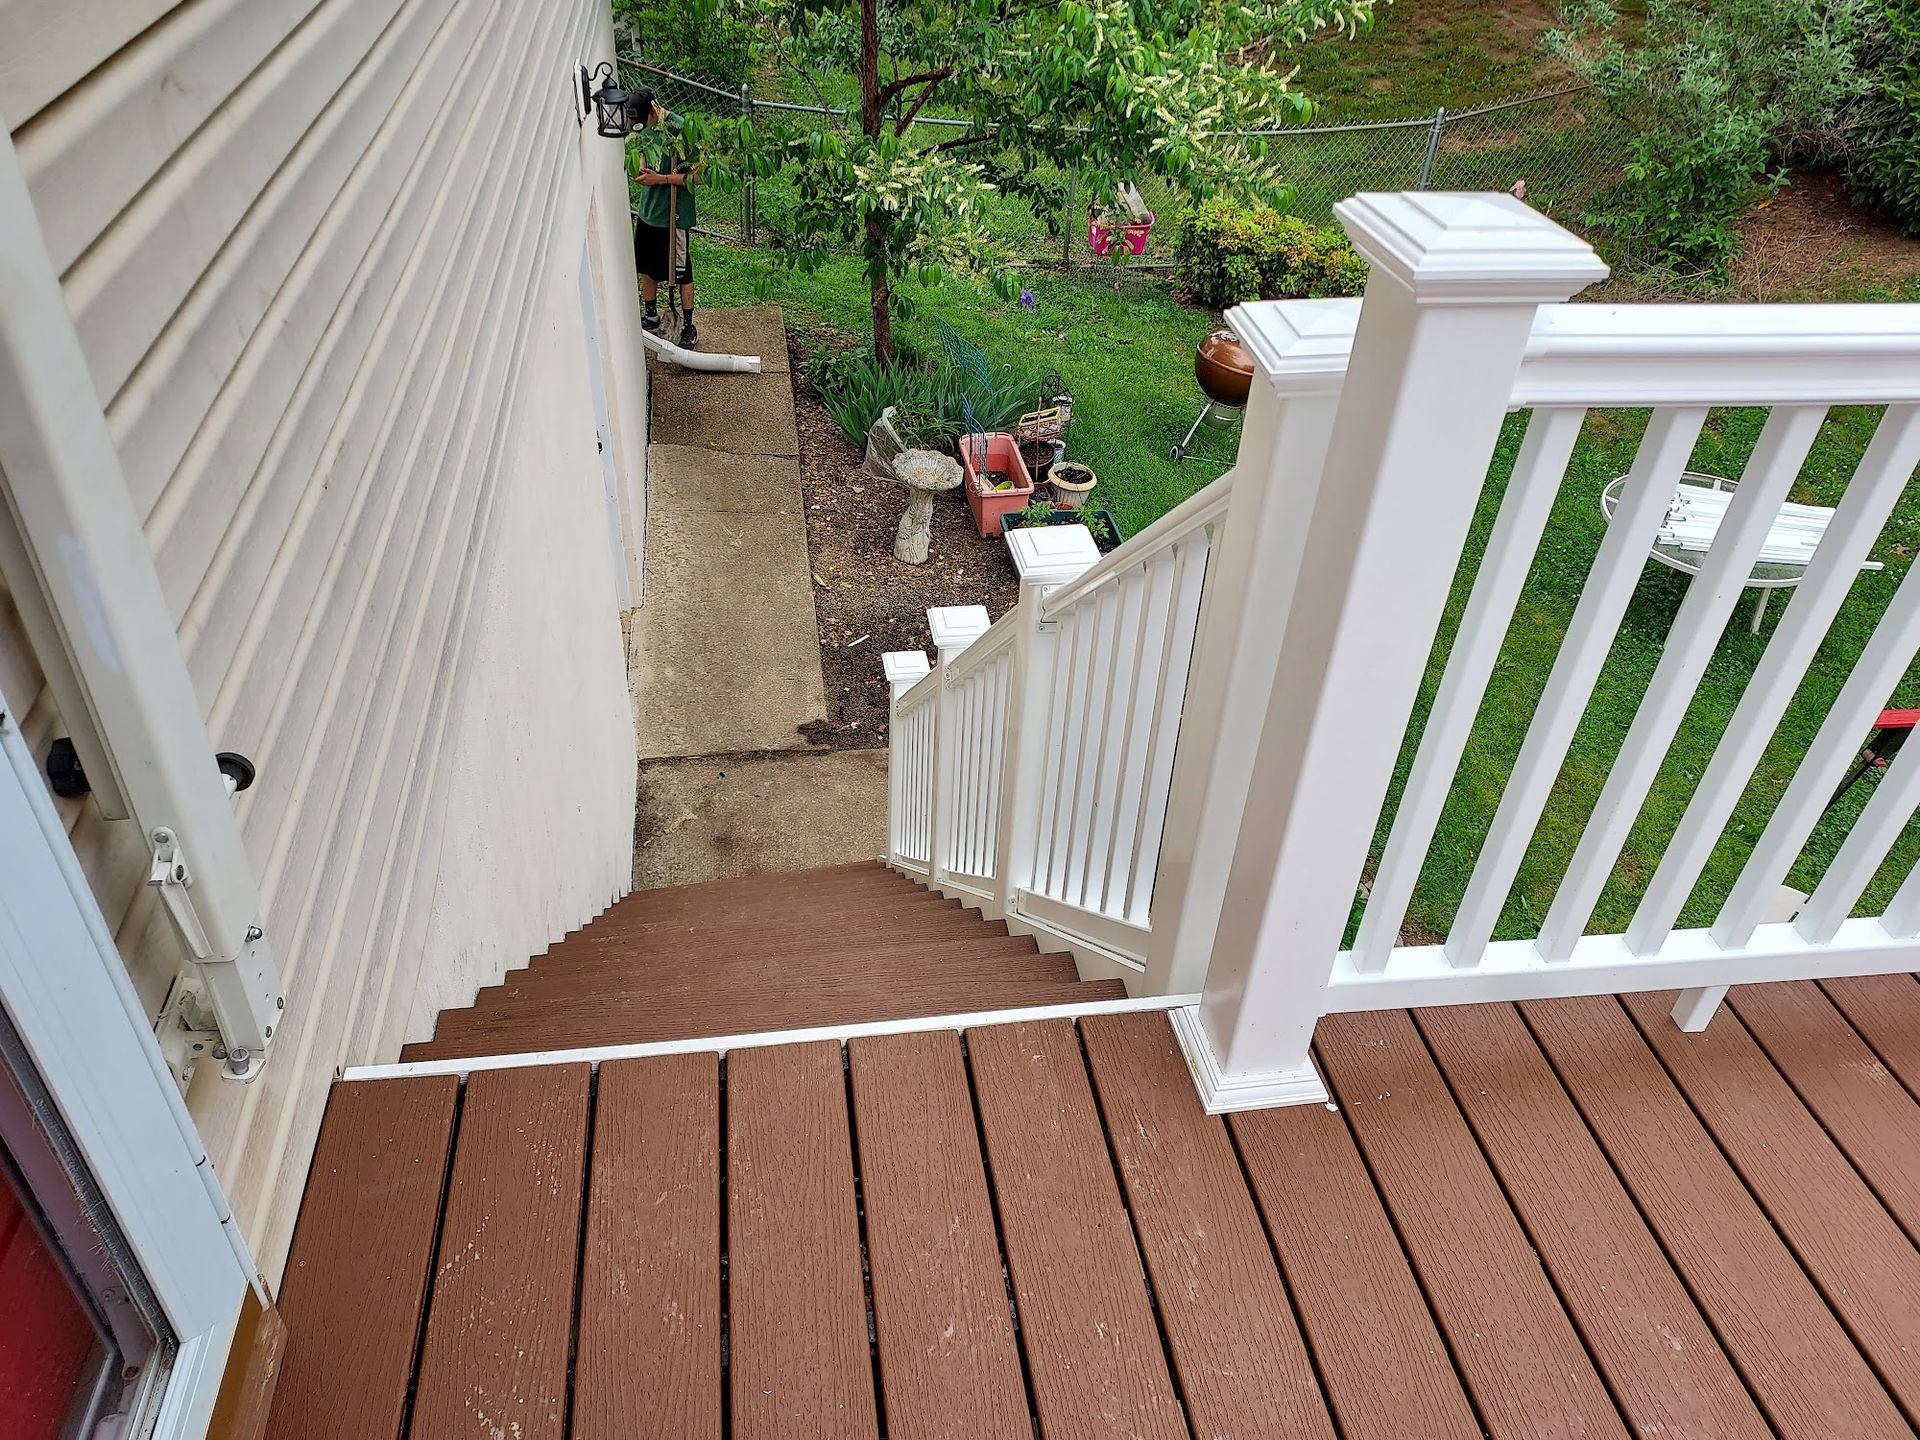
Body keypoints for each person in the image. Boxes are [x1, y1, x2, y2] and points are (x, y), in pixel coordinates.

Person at [626, 90, 699, 348]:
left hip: (674, 216)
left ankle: (688, 325)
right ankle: (650, 314)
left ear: (653, 112)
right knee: (647, 266)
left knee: (681, 271)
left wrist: (661, 180)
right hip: (649, 213)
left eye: (643, 122)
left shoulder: (680, 129)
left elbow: (697, 177)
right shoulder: (644, 128)